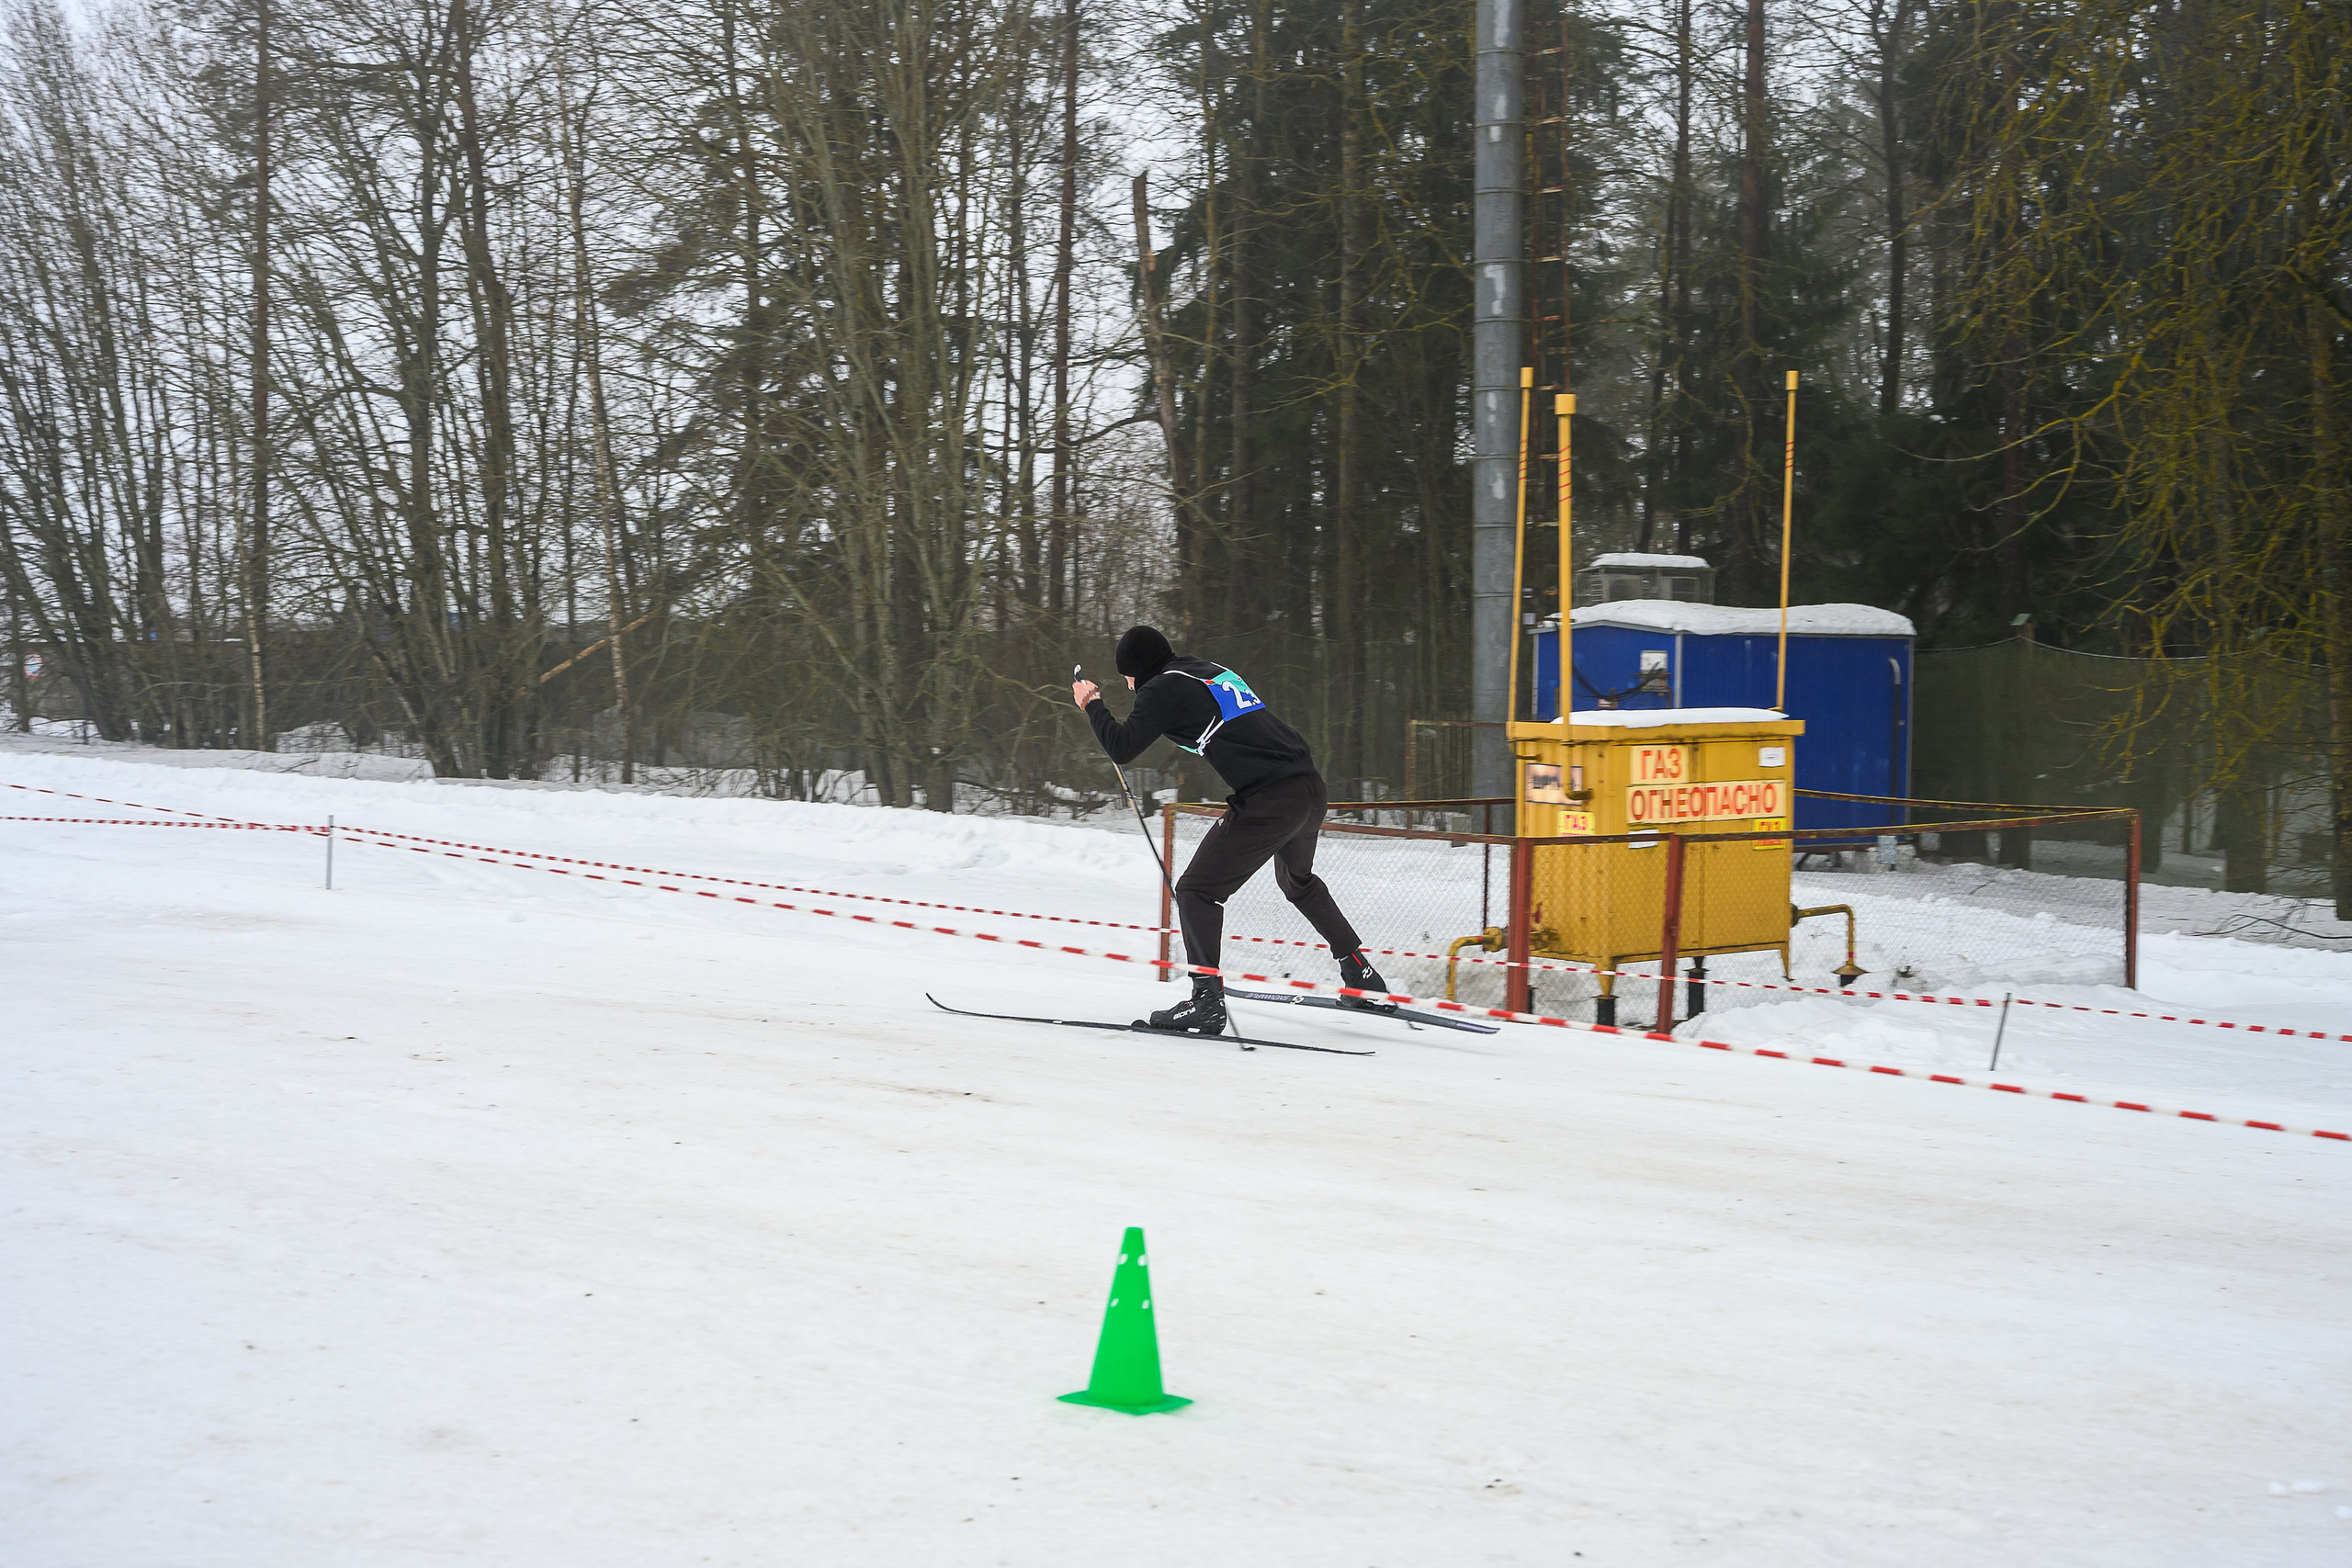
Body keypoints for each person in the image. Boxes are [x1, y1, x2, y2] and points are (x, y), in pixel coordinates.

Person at [1073, 625, 1394, 1033]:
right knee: (1298, 882)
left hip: (1271, 798)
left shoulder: (1162, 687)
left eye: (1127, 677)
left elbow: (1122, 746)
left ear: (1137, 669)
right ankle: (1361, 974)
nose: (1130, 685)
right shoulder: (1202, 669)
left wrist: (1093, 704)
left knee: (1195, 890)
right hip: (1309, 788)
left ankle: (1206, 1001)